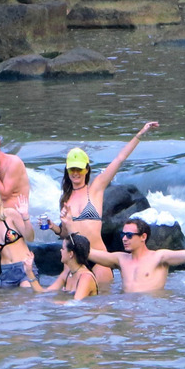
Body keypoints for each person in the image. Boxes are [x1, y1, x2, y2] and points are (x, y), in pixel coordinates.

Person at [51, 121, 159, 289]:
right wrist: (58, 227)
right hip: (75, 259)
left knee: (103, 306)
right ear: (67, 170)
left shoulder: (96, 188)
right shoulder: (65, 199)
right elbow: (66, 233)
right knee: (72, 308)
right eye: (72, 169)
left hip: (99, 258)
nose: (75, 173)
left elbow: (119, 158)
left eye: (79, 169)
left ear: (86, 169)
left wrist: (140, 134)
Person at [88, 218, 185, 293]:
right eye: (123, 234)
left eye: (128, 235)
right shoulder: (120, 259)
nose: (124, 239)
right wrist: (69, 232)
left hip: (151, 312)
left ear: (143, 237)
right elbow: (90, 253)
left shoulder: (159, 257)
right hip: (127, 311)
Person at [0, 183, 35, 287]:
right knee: (7, 302)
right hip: (6, 272)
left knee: (26, 294)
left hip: (24, 266)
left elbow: (30, 238)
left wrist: (25, 217)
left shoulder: (10, 215)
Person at [22, 233, 98, 300]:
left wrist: (50, 302)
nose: (60, 251)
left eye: (63, 248)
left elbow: (76, 304)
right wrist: (29, 271)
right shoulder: (68, 273)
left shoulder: (86, 277)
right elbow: (43, 292)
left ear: (71, 254)